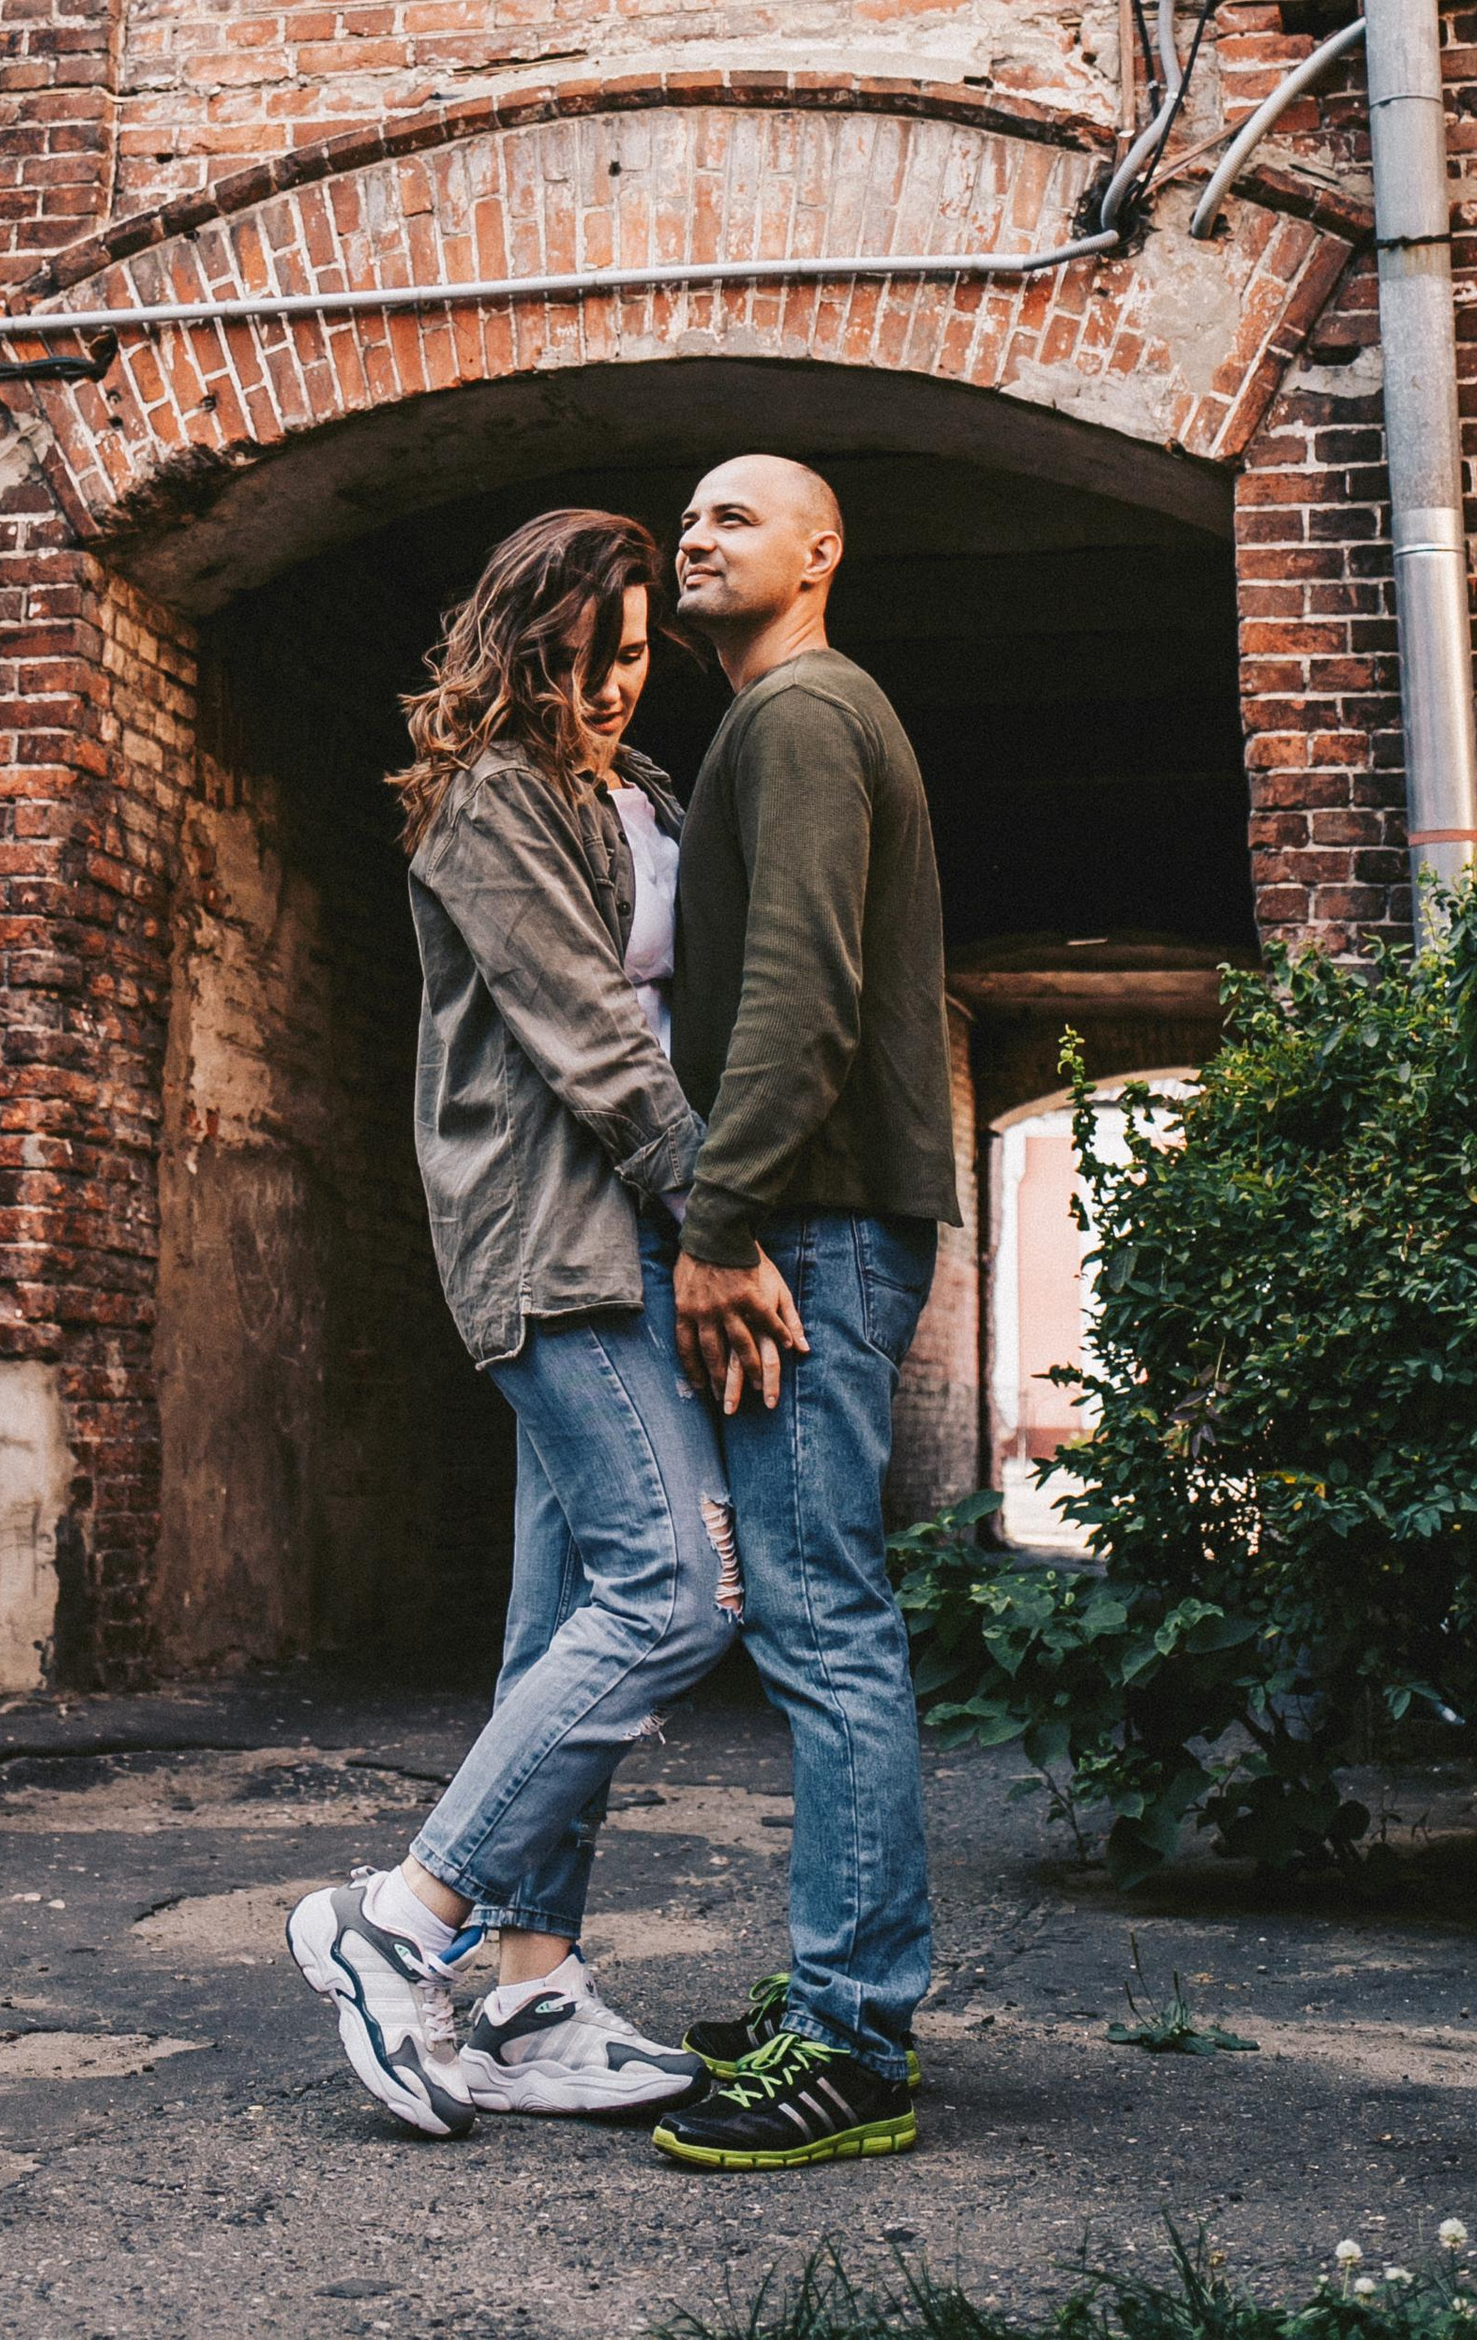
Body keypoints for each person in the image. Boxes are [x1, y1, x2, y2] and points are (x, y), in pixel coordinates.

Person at [286, 509, 743, 2140]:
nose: (618, 685)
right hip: (559, 1248)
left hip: (629, 1242)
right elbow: (598, 1041)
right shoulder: (486, 804)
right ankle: (397, 1921)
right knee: (682, 1592)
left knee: (561, 1637)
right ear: (525, 640)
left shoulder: (643, 794)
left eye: (637, 656)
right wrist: (728, 1223)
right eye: (588, 655)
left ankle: (535, 1993)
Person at [649, 453, 961, 2173]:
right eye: (687, 517)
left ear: (822, 554)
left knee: (823, 1623)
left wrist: (721, 1222)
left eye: (737, 517)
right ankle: (837, 1996)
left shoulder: (804, 715)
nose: (698, 536)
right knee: (816, 1614)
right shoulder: (783, 722)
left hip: (816, 1233)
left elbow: (802, 991)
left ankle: (854, 2037)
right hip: (826, 1221)